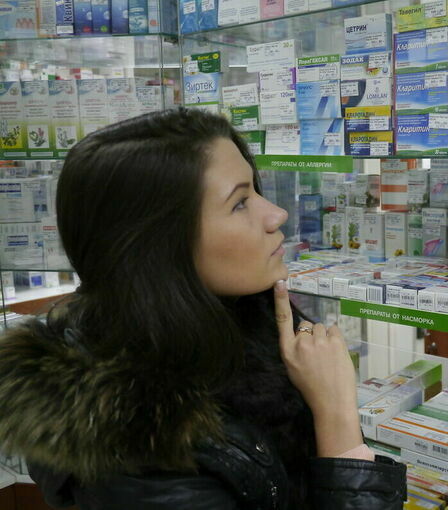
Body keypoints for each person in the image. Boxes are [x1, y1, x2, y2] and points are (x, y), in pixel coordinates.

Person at [0, 108, 407, 509]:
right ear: (158, 247)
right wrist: (337, 419)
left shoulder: (240, 323)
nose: (277, 214)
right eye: (240, 203)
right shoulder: (143, 453)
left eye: (255, 190)